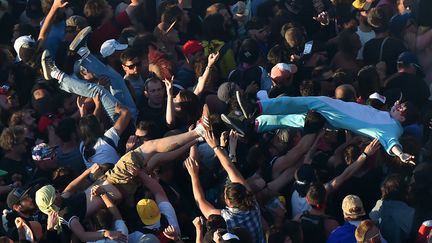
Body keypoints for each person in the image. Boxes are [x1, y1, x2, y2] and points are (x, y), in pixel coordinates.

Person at [228, 91, 418, 164]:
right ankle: (254, 125)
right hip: (335, 117)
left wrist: (401, 154)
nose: (397, 105)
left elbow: (392, 144)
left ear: (403, 118)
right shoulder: (389, 119)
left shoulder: (393, 130)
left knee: (301, 102)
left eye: (402, 108)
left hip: (336, 111)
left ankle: (257, 107)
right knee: (297, 119)